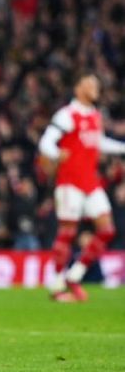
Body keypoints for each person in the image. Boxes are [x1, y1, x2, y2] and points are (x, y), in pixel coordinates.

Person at [38, 72, 125, 302]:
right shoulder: (67, 115)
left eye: (96, 83)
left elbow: (99, 142)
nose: (95, 87)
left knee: (107, 230)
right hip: (69, 182)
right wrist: (57, 154)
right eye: (89, 83)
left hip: (90, 181)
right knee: (67, 232)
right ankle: (56, 287)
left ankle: (73, 276)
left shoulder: (96, 115)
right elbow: (45, 142)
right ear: (78, 88)